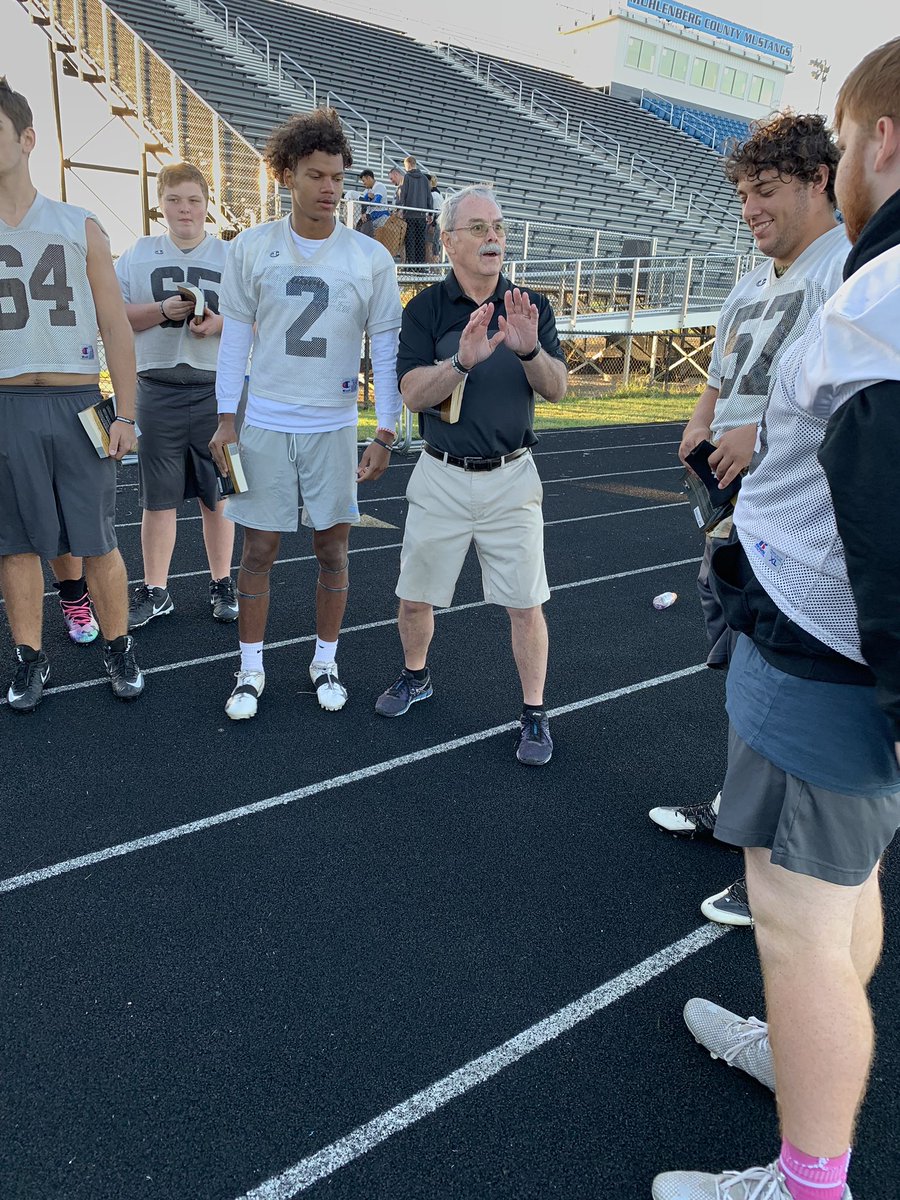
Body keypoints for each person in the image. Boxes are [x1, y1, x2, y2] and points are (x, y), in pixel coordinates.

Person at [654, 39, 900, 1200]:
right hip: (816, 634)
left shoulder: (874, 294)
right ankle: (796, 1061)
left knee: (798, 915)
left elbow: (886, 521)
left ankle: (808, 1182)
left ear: (876, 140)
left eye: (846, 142)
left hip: (826, 650)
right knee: (839, 893)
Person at [647, 112, 849, 927]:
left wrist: (754, 434)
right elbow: (728, 370)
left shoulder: (848, 271)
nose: (749, 209)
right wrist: (701, 418)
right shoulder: (753, 278)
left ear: (819, 181)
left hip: (800, 521)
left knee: (796, 688)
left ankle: (773, 866)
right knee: (745, 678)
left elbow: (843, 402)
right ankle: (742, 810)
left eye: (765, 191)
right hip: (734, 512)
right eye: (741, 193)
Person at [210, 107, 402, 720]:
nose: (329, 189)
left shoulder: (369, 257)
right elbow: (235, 338)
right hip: (266, 419)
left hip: (334, 423)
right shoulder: (251, 247)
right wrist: (225, 418)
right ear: (288, 173)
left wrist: (387, 429)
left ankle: (325, 659)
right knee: (259, 548)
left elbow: (387, 349)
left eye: (338, 178)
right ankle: (250, 669)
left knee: (333, 550)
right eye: (316, 175)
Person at [375, 185, 567, 766]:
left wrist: (530, 352)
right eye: (479, 227)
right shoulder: (425, 309)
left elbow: (557, 389)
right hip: (441, 473)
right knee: (415, 596)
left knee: (526, 603)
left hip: (512, 476)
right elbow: (411, 393)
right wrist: (461, 361)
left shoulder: (530, 306)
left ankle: (534, 713)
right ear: (448, 239)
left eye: (500, 228)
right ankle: (416, 677)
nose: (493, 238)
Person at [0, 77, 143, 711]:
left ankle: (119, 642)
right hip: (4, 402)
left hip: (78, 397)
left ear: (27, 139)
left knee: (97, 537)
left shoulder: (79, 225)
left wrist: (127, 413)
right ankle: (31, 655)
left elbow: (115, 325)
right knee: (15, 542)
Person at [115, 161, 237, 630]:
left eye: (193, 200)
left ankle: (222, 582)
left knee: (219, 494)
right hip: (158, 387)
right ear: (160, 204)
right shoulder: (138, 253)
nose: (184, 209)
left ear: (208, 205)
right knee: (158, 499)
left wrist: (219, 324)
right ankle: (156, 588)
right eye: (174, 200)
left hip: (215, 391)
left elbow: (257, 317)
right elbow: (118, 313)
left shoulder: (231, 255)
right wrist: (162, 310)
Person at [397, 155, 432, 264]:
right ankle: (420, 266)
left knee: (410, 241)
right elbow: (428, 197)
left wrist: (400, 209)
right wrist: (430, 213)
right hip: (421, 215)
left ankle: (411, 264)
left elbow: (402, 194)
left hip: (409, 214)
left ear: (407, 165)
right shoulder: (425, 179)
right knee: (420, 242)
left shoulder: (406, 177)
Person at [357, 169, 389, 235]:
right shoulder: (367, 190)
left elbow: (376, 202)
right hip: (373, 216)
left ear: (368, 178)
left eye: (364, 181)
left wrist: (371, 198)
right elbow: (364, 202)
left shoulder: (379, 186)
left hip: (381, 216)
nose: (363, 183)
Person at [425, 175, 443, 264]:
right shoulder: (439, 194)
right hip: (437, 223)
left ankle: (431, 267)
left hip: (433, 223)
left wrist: (433, 225)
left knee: (430, 245)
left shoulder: (433, 195)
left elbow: (435, 211)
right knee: (434, 245)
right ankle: (434, 268)